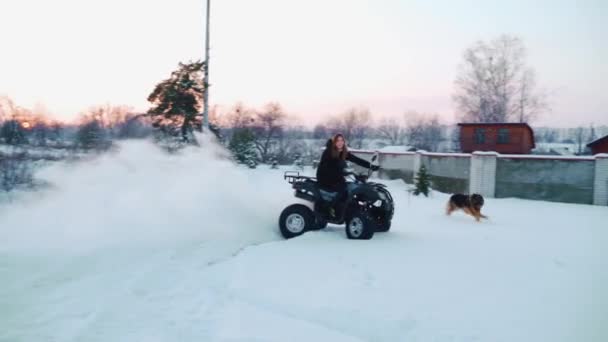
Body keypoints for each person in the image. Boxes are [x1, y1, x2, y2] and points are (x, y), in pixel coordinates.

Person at [316, 133, 379, 216]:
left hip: (336, 177)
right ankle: (329, 207)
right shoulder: (328, 152)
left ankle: (346, 209)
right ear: (334, 142)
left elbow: (355, 159)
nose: (340, 142)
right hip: (324, 177)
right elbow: (326, 167)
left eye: (342, 140)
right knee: (343, 189)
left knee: (350, 188)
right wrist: (342, 171)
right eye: (338, 140)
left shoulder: (343, 152)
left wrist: (370, 166)